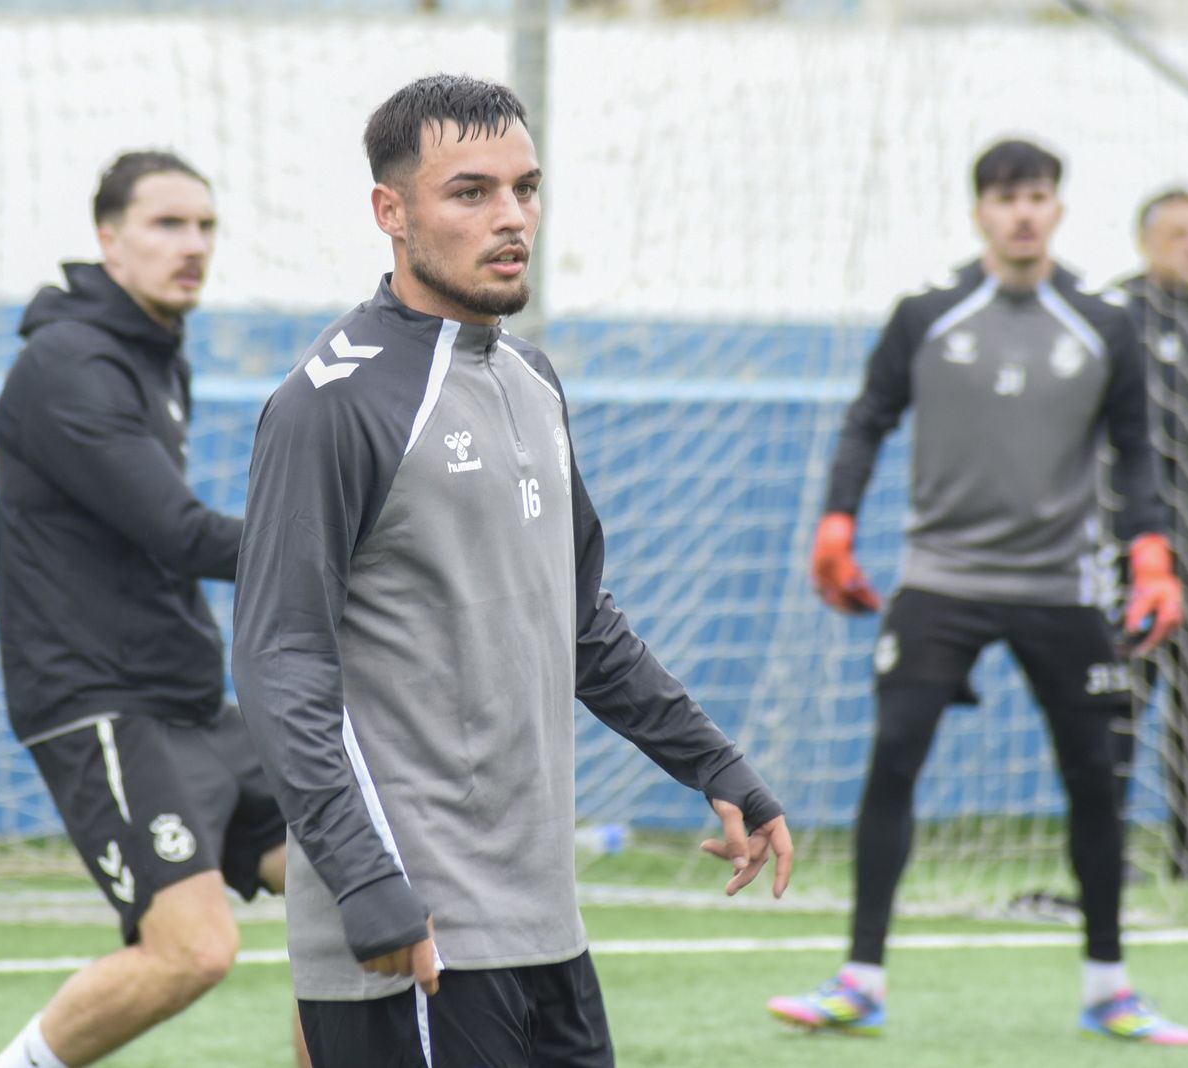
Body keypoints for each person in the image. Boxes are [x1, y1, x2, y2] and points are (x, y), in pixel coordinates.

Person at [230, 73, 794, 1068]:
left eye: (525, 189)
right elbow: (281, 663)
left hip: (543, 927)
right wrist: (365, 880)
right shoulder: (331, 402)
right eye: (471, 192)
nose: (511, 218)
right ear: (390, 212)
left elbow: (580, 623)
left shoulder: (530, 378)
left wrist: (715, 765)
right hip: (418, 931)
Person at [766, 140, 1188, 1046]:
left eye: (1037, 196)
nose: (1022, 214)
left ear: (1058, 208)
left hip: (1065, 587)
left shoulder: (1101, 321)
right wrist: (836, 522)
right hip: (943, 582)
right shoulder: (926, 312)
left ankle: (1109, 987)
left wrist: (1151, 557)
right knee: (893, 758)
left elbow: (1135, 454)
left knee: (1097, 781)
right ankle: (860, 979)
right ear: (979, 212)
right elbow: (866, 421)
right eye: (1006, 198)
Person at [0, 151, 307, 1068]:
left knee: (371, 895)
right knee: (193, 951)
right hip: (102, 705)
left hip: (189, 703)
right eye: (168, 225)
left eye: (205, 226)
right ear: (108, 238)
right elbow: (175, 531)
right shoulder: (68, 364)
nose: (194, 245)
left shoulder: (155, 355)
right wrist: (346, 550)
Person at [1108, 189, 1188, 882]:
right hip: (1133, 548)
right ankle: (1103, 844)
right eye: (1179, 234)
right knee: (1118, 699)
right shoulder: (1119, 317)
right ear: (1147, 241)